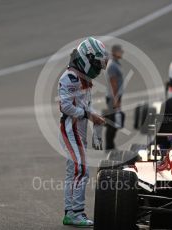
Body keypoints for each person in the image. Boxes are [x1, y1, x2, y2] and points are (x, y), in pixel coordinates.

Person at [58, 37, 108, 227]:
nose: (98, 68)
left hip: (78, 129)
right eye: (96, 63)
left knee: (74, 172)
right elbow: (65, 107)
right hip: (70, 128)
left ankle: (70, 213)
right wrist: (89, 115)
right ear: (86, 58)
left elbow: (86, 105)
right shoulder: (70, 77)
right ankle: (76, 213)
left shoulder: (82, 78)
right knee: (82, 170)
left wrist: (94, 123)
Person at [105, 44, 124, 150]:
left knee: (115, 122)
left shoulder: (116, 63)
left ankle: (110, 145)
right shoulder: (112, 65)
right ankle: (109, 146)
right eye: (120, 51)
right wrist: (116, 99)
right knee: (112, 122)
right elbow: (113, 83)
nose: (122, 52)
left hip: (115, 97)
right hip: (113, 98)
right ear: (115, 52)